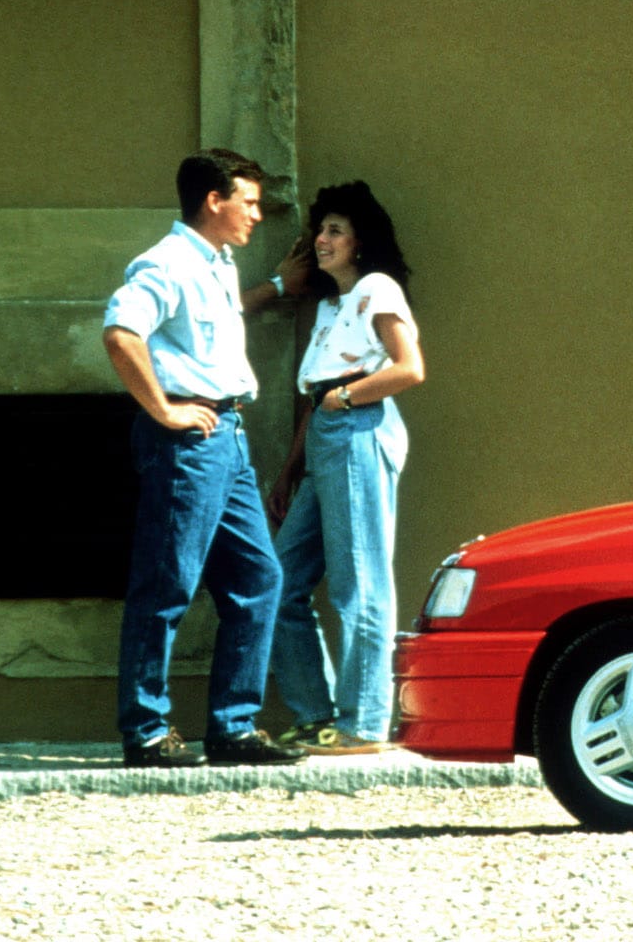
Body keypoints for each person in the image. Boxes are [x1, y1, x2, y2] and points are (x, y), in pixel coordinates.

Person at [102, 148, 311, 768]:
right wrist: (165, 411)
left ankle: (233, 728)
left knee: (258, 578)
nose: (256, 213)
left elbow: (212, 327)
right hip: (187, 440)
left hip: (229, 438)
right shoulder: (166, 263)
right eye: (247, 201)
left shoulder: (217, 263)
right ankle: (144, 731)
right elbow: (121, 333)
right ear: (213, 201)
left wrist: (274, 286)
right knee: (166, 583)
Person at [268, 181, 424, 755]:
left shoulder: (377, 289)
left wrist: (345, 398)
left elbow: (409, 368)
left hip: (357, 427)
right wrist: (290, 468)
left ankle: (364, 722)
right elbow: (315, 393)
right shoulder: (331, 309)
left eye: (335, 230)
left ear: (361, 242)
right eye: (321, 230)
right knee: (280, 582)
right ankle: (316, 714)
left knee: (361, 582)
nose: (322, 239)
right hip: (325, 436)